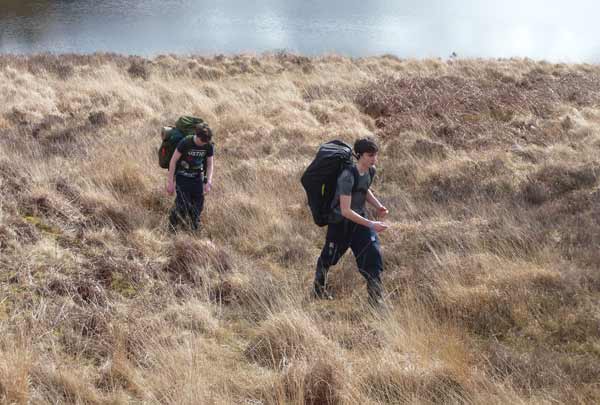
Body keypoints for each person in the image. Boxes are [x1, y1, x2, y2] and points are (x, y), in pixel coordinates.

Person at [313, 137, 389, 306]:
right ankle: (318, 291)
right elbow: (346, 210)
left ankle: (376, 301)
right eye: (370, 155)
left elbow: (364, 189)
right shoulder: (346, 176)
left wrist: (379, 206)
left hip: (359, 221)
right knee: (329, 257)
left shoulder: (371, 171)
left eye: (375, 155)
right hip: (340, 223)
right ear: (360, 155)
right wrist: (371, 224)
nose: (374, 158)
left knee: (372, 255)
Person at [166, 123, 214, 232]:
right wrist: (170, 182)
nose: (204, 144)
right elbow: (173, 161)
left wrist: (208, 182)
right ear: (197, 136)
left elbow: (210, 164)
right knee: (182, 204)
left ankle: (193, 229)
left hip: (197, 178)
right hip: (182, 177)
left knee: (198, 205)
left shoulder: (208, 144)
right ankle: (172, 228)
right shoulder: (185, 142)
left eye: (206, 142)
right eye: (202, 141)